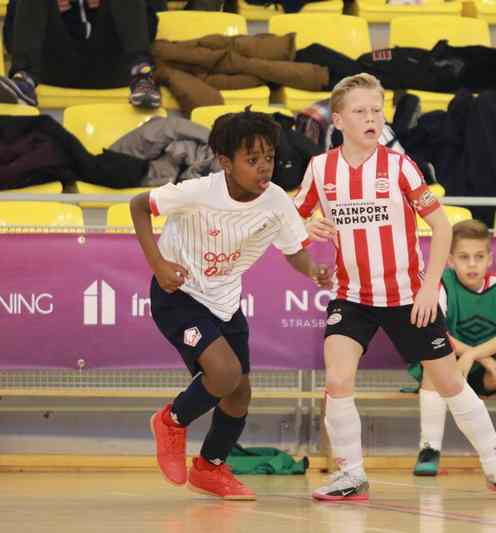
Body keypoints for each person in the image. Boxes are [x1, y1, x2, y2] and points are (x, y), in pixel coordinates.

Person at [295, 73, 496, 501]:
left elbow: (442, 228)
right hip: (352, 297)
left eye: (377, 110)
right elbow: (290, 223)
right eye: (360, 111)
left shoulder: (399, 166)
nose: (371, 118)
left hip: (407, 297)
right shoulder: (320, 168)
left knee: (450, 384)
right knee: (337, 380)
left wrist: (428, 289)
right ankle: (351, 475)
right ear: (339, 121)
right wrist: (306, 228)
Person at [130, 109, 332, 499]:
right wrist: (158, 265)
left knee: (239, 392)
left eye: (269, 157)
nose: (264, 167)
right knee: (224, 373)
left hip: (225, 300)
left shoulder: (276, 201)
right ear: (226, 162)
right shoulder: (198, 191)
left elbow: (294, 250)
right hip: (178, 295)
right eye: (252, 160)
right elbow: (139, 205)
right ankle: (171, 421)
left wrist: (312, 270)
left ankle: (210, 467)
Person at [407, 220, 496, 477]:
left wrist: (476, 355)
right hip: (450, 368)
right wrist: (475, 357)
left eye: (479, 257)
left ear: (489, 259)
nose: (472, 264)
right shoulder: (442, 283)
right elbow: (437, 333)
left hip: (488, 372)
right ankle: (429, 449)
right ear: (450, 261)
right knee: (432, 362)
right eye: (464, 257)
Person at [0, 0, 161, 108]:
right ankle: (24, 81)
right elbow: (11, 37)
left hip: (113, 67)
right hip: (51, 69)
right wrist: (49, 9)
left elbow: (151, 29)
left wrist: (107, 7)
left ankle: (142, 76)